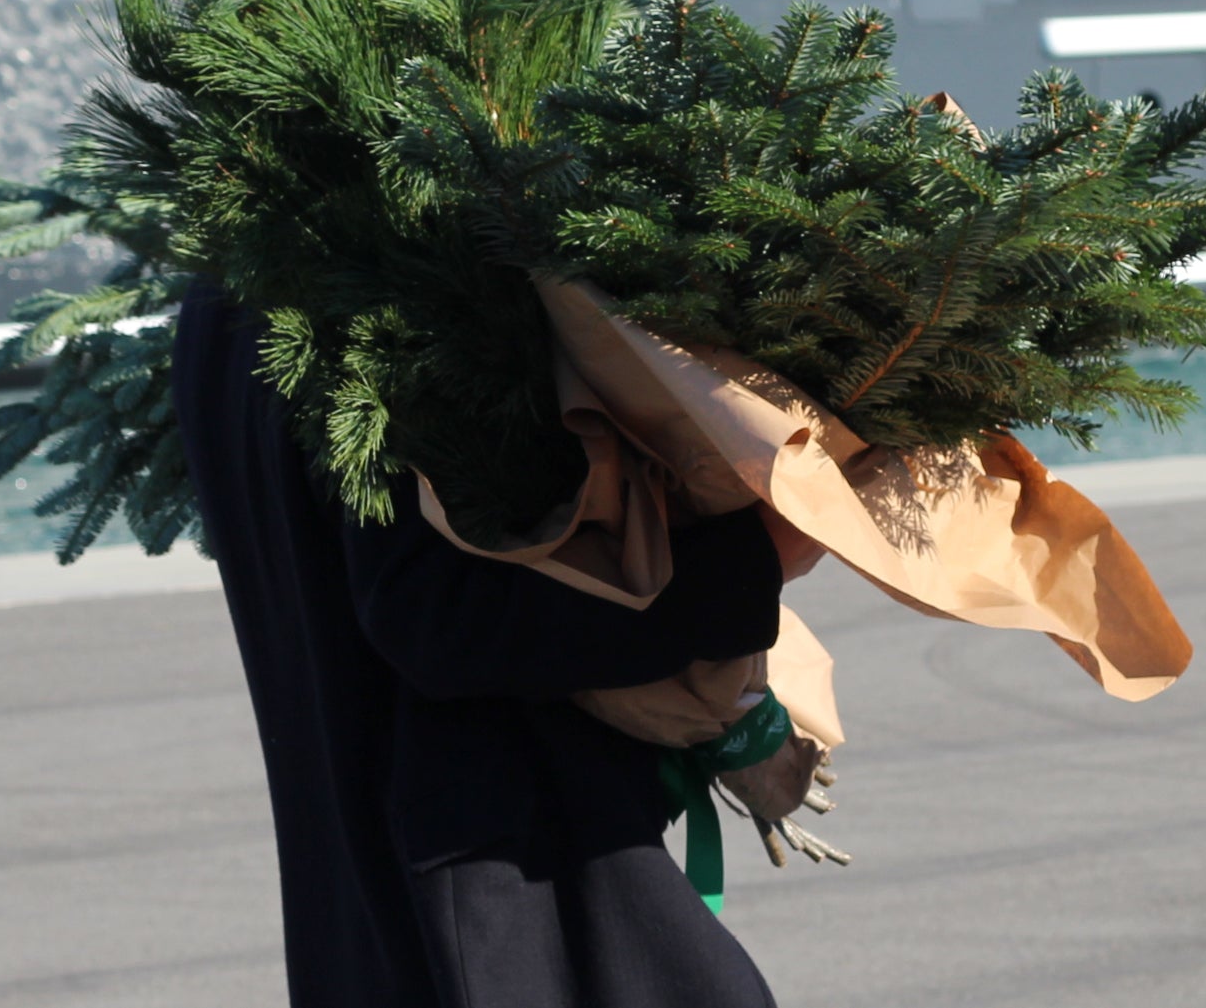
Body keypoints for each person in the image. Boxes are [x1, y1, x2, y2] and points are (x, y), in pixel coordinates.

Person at [172, 282, 816, 1007]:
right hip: (506, 886)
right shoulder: (380, 275)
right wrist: (754, 559)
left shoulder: (226, 288)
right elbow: (438, 614)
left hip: (385, 902)